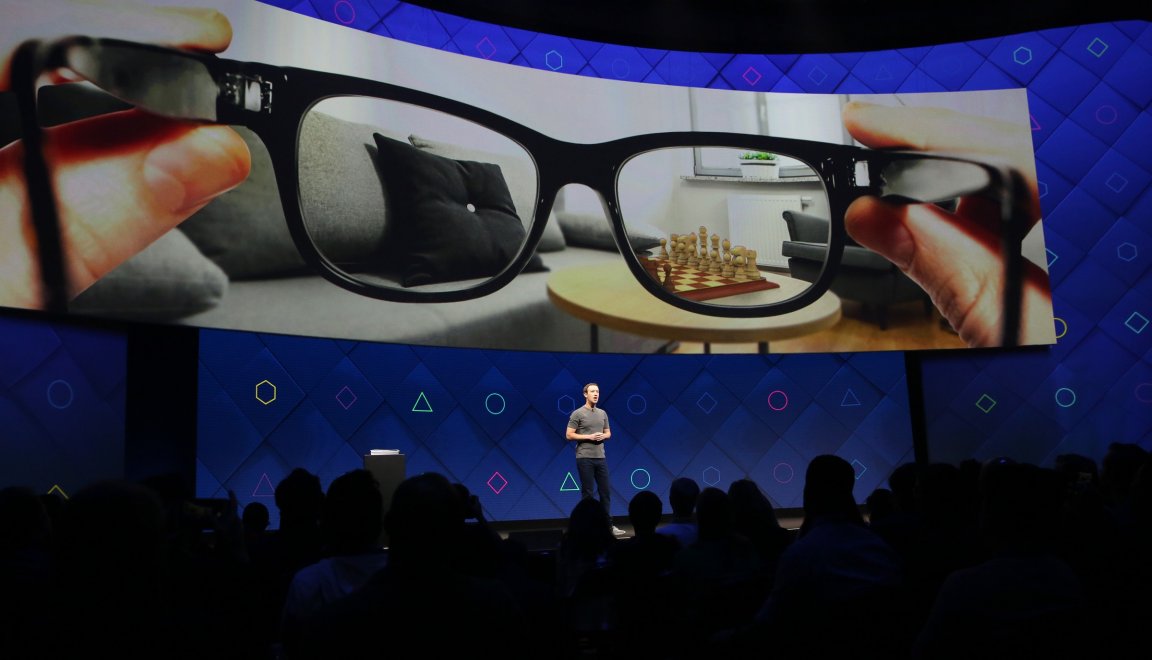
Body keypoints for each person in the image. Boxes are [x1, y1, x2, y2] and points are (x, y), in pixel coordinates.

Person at [566, 382, 625, 536]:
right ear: (585, 394)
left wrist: (603, 436)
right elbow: (569, 434)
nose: (596, 394)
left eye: (597, 391)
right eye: (592, 391)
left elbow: (608, 433)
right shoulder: (577, 413)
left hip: (601, 457)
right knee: (588, 494)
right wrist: (589, 437)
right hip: (584, 457)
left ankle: (608, 526)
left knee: (605, 492)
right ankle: (588, 527)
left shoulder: (602, 413)